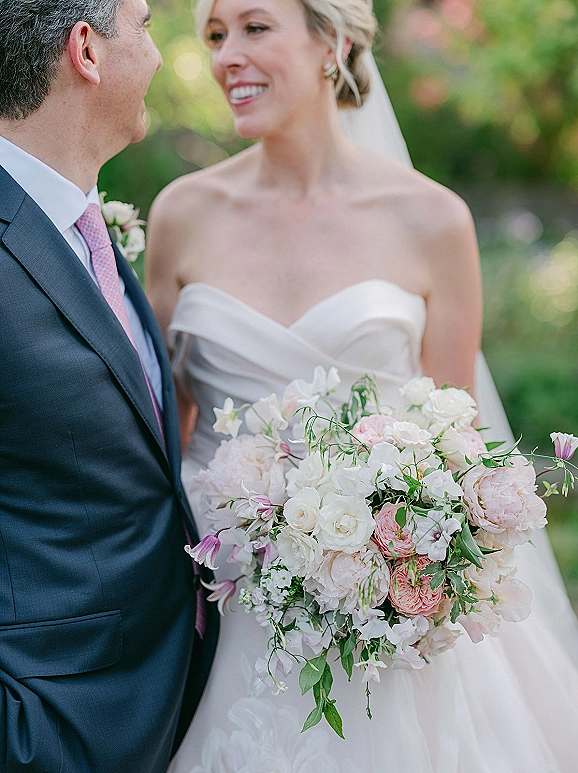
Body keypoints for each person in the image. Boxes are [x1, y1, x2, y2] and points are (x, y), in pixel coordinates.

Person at [147, 0, 578, 769]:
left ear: (332, 42)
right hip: (223, 607)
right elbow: (162, 431)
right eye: (214, 36)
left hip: (390, 620)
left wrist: (396, 554)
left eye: (254, 28)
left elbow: (461, 444)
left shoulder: (432, 219)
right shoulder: (182, 214)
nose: (225, 57)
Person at [0, 1, 218, 771]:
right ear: (87, 49)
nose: (161, 55)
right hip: (49, 728)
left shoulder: (86, 226)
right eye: (148, 23)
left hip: (175, 699)